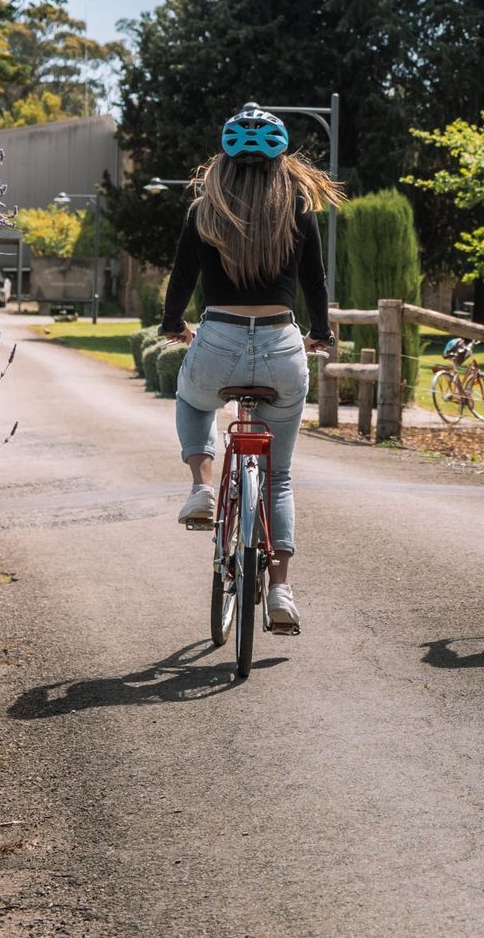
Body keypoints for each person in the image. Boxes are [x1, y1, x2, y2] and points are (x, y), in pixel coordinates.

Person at [160, 106, 344, 635]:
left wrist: (175, 325)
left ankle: (201, 486)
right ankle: (281, 589)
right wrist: (322, 334)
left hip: (216, 337)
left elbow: (180, 279)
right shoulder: (298, 210)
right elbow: (315, 284)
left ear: (225, 161)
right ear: (280, 163)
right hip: (283, 344)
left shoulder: (204, 211)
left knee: (194, 401)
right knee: (279, 476)